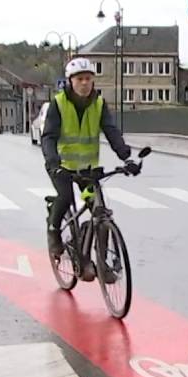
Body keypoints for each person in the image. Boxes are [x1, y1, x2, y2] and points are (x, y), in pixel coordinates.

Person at [42, 57, 132, 256]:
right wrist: (53, 162)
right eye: (79, 79)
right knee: (65, 197)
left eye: (88, 78)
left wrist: (126, 156)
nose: (84, 83)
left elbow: (111, 130)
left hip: (88, 169)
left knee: (99, 211)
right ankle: (53, 231)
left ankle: (102, 263)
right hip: (62, 166)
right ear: (70, 81)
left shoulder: (99, 103)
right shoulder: (58, 103)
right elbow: (48, 137)